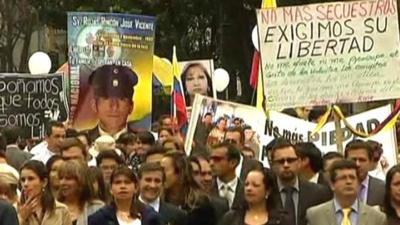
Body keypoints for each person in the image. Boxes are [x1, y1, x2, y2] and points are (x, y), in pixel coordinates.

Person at [268, 138, 331, 225]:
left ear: (299, 162)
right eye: (281, 161)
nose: (286, 165)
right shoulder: (266, 193)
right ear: (273, 165)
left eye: (290, 160)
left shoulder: (319, 193)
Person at [306, 159, 387, 225]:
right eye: (343, 178)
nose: (348, 181)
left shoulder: (377, 217)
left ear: (359, 184)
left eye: (352, 177)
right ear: (332, 185)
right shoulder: (315, 215)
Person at [88, 166, 162, 225]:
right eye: (118, 182)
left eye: (127, 182)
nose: (123, 186)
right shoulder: (99, 219)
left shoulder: (151, 217)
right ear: (110, 189)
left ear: (136, 188)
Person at [161, 151, 216, 225]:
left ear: (180, 172)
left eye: (163, 170)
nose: (160, 174)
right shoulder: (160, 200)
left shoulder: (200, 205)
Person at [85, 65, 138, 142]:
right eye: (106, 98)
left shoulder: (140, 142)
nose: (114, 106)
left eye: (121, 99)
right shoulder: (84, 141)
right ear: (94, 105)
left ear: (131, 107)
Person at [219, 167, 288, 225]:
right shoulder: (231, 218)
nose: (249, 189)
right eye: (246, 184)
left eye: (255, 185)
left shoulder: (280, 220)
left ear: (268, 191)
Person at [18, 160, 72, 225]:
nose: (25, 184)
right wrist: (21, 218)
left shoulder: (61, 210)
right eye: (23, 180)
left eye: (31, 179)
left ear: (44, 182)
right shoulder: (14, 209)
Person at [58, 160, 104, 225]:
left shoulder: (97, 208)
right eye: (61, 178)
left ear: (81, 181)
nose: (62, 182)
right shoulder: (51, 208)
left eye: (68, 178)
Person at [345, 139, 385, 206]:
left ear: (370, 162)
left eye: (362, 160)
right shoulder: (335, 189)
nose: (357, 164)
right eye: (353, 159)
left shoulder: (383, 189)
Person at [209, 141, 244, 209]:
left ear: (233, 163)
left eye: (217, 159)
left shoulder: (245, 192)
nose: (211, 163)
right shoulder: (205, 188)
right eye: (211, 159)